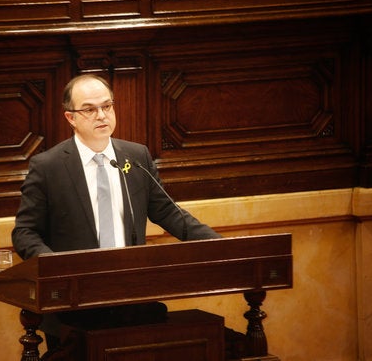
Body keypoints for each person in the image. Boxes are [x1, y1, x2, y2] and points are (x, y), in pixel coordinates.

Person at [11, 74, 221, 350]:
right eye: (89, 109)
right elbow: (25, 232)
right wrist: (57, 268)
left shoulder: (136, 157)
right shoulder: (48, 167)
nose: (101, 115)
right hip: (72, 306)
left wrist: (220, 246)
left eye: (107, 106)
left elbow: (170, 214)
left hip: (132, 300)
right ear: (70, 118)